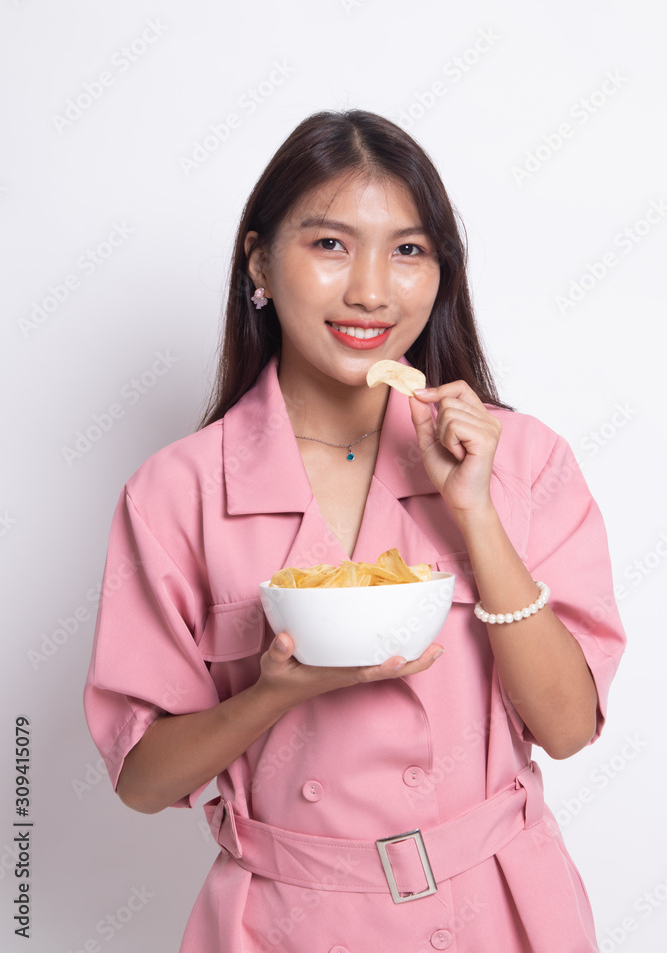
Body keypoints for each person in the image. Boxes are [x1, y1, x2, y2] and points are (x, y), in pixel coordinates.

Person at [83, 109, 626, 953]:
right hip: (283, 923)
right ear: (260, 261)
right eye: (330, 244)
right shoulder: (176, 491)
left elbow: (564, 728)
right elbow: (144, 782)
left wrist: (475, 513)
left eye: (408, 250)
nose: (371, 290)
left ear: (441, 272)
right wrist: (274, 694)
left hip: (496, 913)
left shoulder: (521, 459)